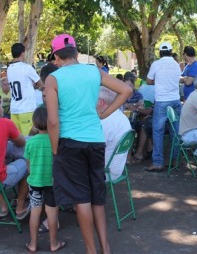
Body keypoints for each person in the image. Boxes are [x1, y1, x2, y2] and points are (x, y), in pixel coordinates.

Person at [45, 33, 132, 254]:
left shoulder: (53, 79)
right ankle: (105, 247)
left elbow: (53, 121)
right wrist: (104, 114)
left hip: (69, 143)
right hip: (95, 140)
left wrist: (55, 149)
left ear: (56, 56)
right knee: (97, 197)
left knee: (81, 198)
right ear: (75, 52)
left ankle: (91, 250)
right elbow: (126, 90)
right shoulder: (94, 71)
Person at [24, 106, 65, 253]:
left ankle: (33, 244)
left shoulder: (30, 142)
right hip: (52, 183)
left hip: (34, 183)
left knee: (35, 212)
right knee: (52, 213)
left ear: (34, 124)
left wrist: (33, 175)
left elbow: (28, 166)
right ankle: (54, 243)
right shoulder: (57, 141)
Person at [145, 41, 181, 172]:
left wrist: (158, 80)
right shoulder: (176, 65)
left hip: (161, 101)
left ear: (160, 52)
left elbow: (149, 81)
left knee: (158, 132)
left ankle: (158, 162)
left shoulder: (156, 64)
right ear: (171, 51)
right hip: (176, 101)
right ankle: (175, 159)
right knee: (175, 131)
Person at [0, 104, 30, 220]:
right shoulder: (5, 123)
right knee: (28, 161)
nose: (3, 109)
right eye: (1, 106)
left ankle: (3, 207)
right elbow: (21, 142)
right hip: (3, 179)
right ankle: (20, 207)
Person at [7, 43, 43, 135]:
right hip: (26, 109)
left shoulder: (9, 68)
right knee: (28, 138)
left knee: (16, 140)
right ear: (23, 53)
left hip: (14, 109)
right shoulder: (27, 68)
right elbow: (40, 84)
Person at [97, 87, 132, 180]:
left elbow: (94, 151)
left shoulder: (104, 122)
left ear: (101, 102)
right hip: (118, 168)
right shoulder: (120, 116)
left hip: (105, 172)